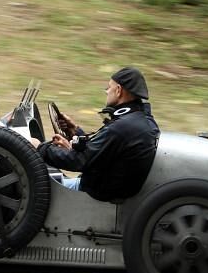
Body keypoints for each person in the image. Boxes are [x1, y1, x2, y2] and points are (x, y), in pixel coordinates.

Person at [32, 67, 160, 202]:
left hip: (94, 196)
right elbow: (102, 153)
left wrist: (39, 147)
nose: (106, 92)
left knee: (32, 185)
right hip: (106, 188)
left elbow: (78, 162)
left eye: (109, 87)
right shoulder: (141, 120)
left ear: (118, 90)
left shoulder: (122, 127)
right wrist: (75, 131)